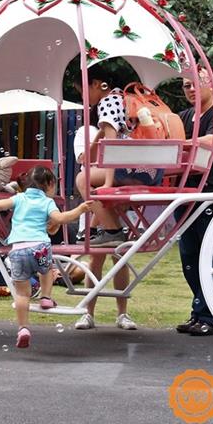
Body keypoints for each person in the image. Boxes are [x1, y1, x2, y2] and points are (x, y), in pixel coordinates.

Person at [73, 66, 146, 331]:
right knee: (112, 254)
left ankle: (112, 230)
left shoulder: (107, 102)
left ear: (96, 84)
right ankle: (107, 313)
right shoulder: (121, 99)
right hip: (139, 170)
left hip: (121, 172)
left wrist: (106, 183)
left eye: (83, 91)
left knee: (82, 180)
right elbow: (107, 139)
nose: (84, 97)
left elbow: (112, 144)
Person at [0, 166, 94, 348]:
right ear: (50, 184)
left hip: (18, 249)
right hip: (40, 247)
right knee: (46, 271)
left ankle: (23, 328)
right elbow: (61, 219)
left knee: (22, 294)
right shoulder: (47, 202)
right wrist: (80, 209)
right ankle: (46, 297)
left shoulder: (19, 198)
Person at [174, 66, 213, 336]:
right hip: (186, 195)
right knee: (189, 258)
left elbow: (209, 142)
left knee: (212, 257)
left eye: (197, 82)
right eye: (186, 85)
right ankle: (200, 312)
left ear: (211, 83)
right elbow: (168, 138)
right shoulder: (184, 116)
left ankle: (210, 317)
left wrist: (177, 145)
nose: (191, 89)